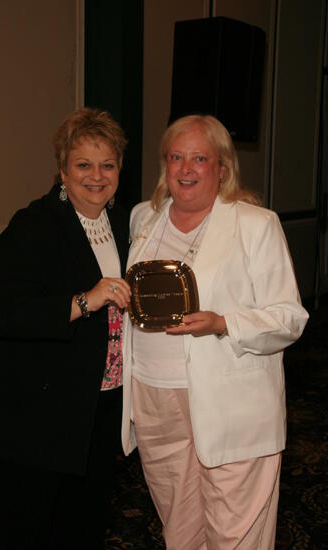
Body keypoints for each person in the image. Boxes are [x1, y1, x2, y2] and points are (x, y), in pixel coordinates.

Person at [121, 114, 309, 550]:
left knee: (236, 533)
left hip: (231, 401)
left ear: (222, 168)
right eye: (176, 158)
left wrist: (224, 323)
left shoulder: (255, 224)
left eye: (199, 159)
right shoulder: (142, 218)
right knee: (180, 528)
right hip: (154, 396)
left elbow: (289, 317)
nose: (186, 170)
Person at [0, 107, 131, 549]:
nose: (96, 175)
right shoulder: (35, 225)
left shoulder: (124, 224)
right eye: (83, 164)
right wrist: (85, 300)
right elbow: (5, 312)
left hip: (96, 411)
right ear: (63, 170)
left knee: (81, 530)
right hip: (32, 417)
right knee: (20, 533)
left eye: (107, 164)